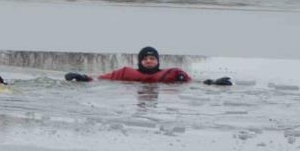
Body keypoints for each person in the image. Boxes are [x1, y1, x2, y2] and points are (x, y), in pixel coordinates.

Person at [65, 46, 231, 85]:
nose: (149, 61)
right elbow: (101, 79)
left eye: (152, 58)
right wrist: (83, 78)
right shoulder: (126, 73)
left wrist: (213, 83)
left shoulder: (172, 74)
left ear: (158, 61)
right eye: (145, 58)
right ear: (140, 61)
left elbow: (193, 83)